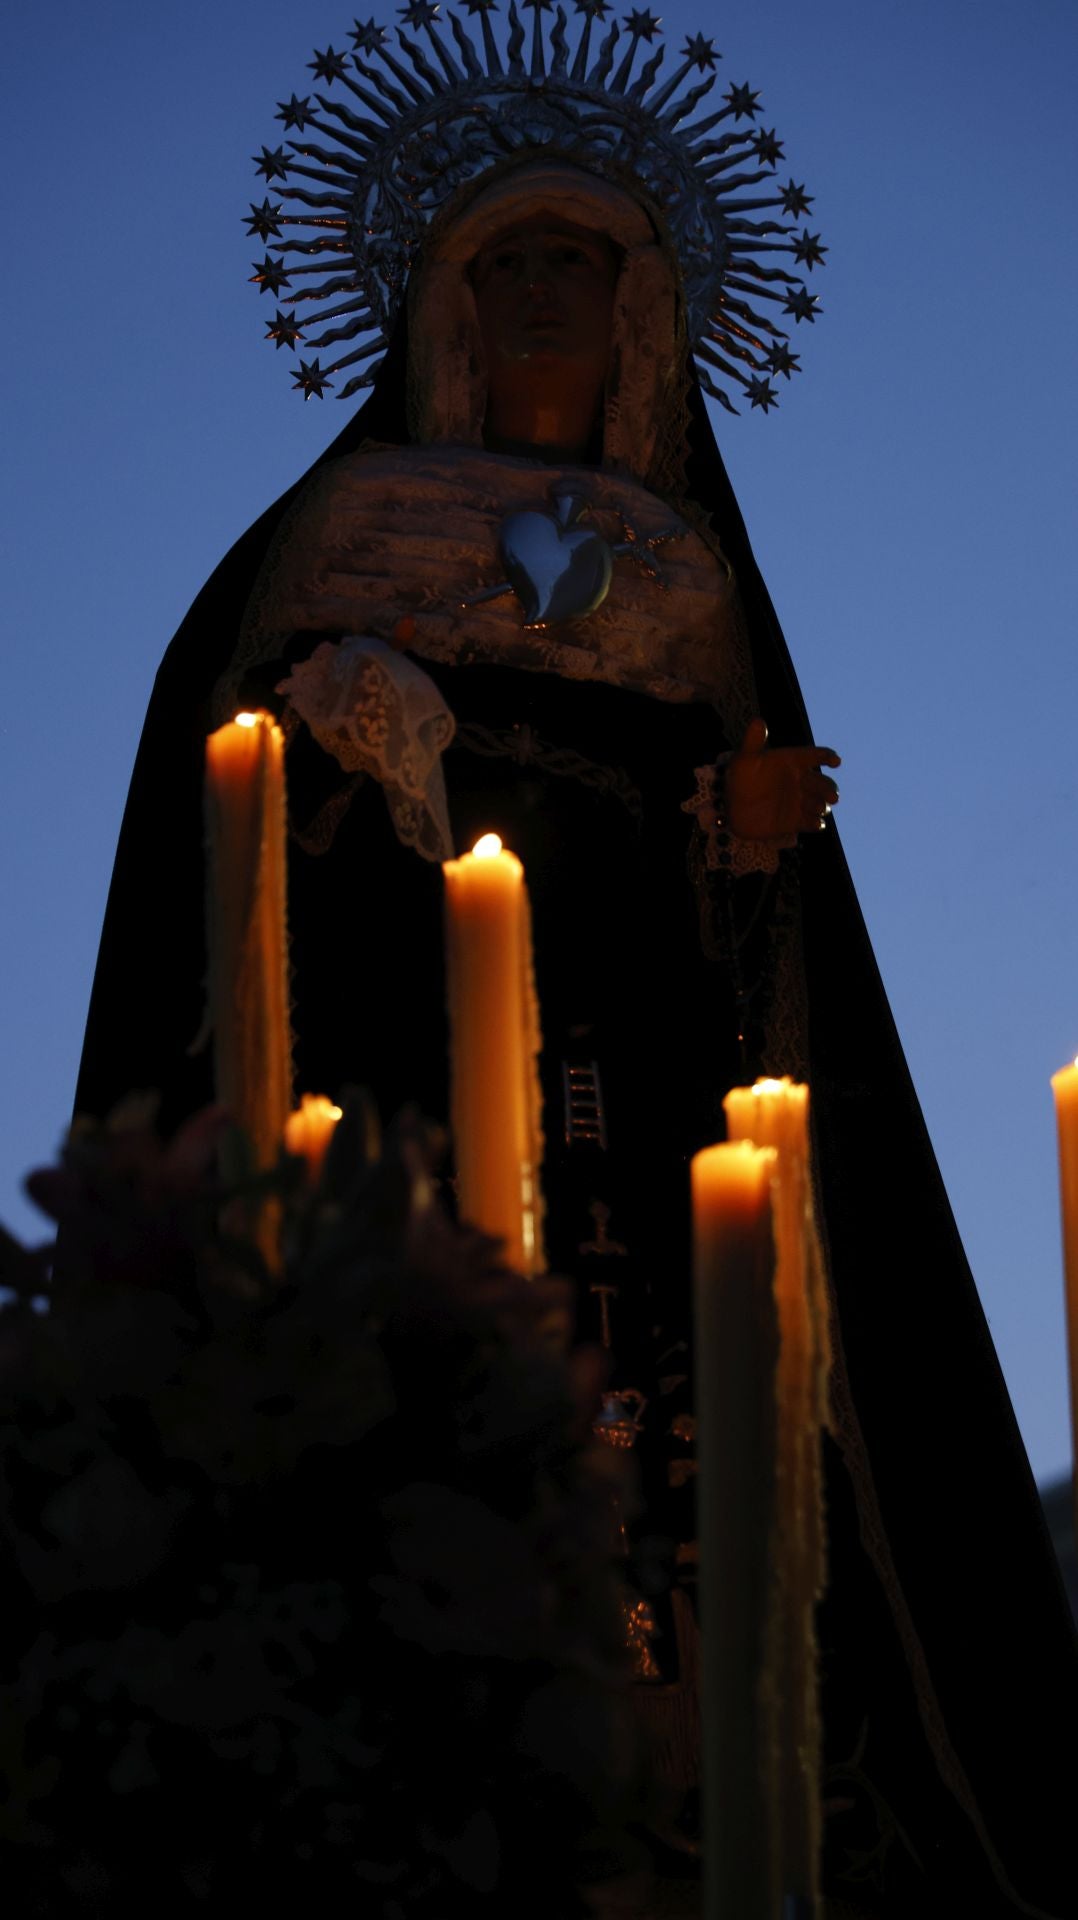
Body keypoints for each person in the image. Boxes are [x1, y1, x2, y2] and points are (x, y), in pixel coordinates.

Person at [75, 14, 1075, 1916]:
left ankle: (699, 1767)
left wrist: (751, 830)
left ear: (642, 314)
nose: (543, 290)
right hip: (400, 1067)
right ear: (444, 301)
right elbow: (224, 835)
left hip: (646, 1064)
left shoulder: (679, 577)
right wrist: (328, 747)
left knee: (679, 1425)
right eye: (507, 259)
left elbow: (761, 927)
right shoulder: (342, 541)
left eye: (581, 262)